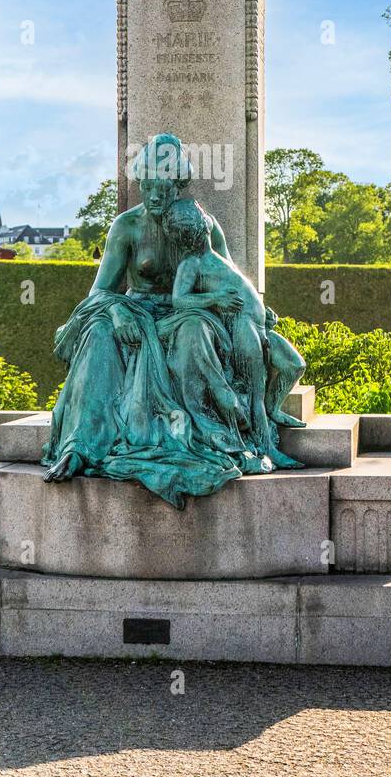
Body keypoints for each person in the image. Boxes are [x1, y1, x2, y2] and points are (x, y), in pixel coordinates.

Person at [41, 133, 303, 507]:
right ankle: (80, 446)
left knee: (196, 331)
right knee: (98, 333)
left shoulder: (201, 224)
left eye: (162, 187)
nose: (153, 195)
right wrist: (116, 310)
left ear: (177, 184)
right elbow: (99, 292)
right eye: (146, 186)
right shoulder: (127, 227)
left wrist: (256, 310)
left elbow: (230, 278)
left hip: (188, 314)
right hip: (136, 312)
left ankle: (214, 433)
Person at [167, 197, 306, 443]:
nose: (208, 222)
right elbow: (179, 300)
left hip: (259, 324)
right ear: (194, 232)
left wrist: (263, 310)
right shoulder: (191, 264)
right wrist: (215, 298)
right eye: (201, 220)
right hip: (241, 326)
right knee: (255, 393)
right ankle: (266, 446)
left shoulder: (217, 254)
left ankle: (273, 409)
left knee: (294, 365)